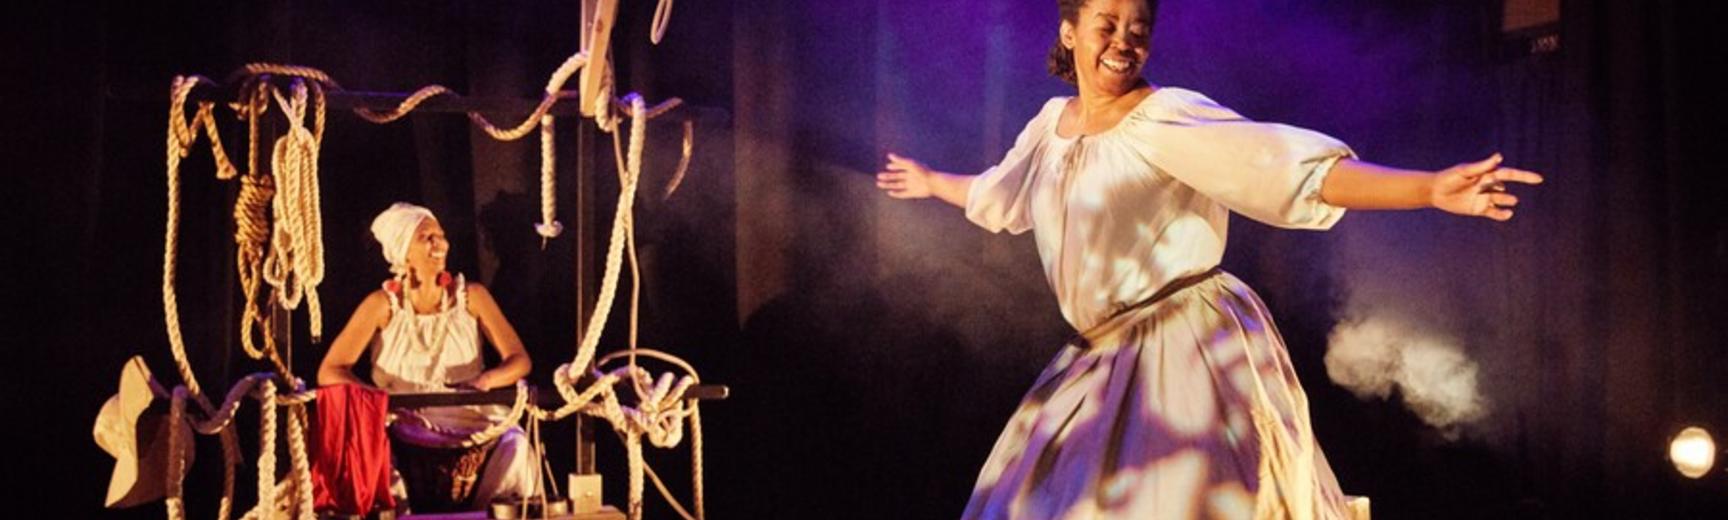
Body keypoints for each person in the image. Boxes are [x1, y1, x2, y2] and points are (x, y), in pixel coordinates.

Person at [873, 0, 1543, 518]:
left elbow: (1286, 168)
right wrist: (932, 182)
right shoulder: (1051, 127)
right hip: (1098, 353)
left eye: (1138, 28)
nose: (1124, 41)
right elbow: (1001, 193)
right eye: (1107, 24)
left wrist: (1427, 188)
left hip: (1183, 339)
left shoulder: (1165, 117)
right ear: (1070, 31)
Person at [318, 202, 538, 510]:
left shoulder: (472, 297)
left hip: (471, 418)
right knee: (374, 456)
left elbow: (519, 360)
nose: (440, 244)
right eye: (426, 237)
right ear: (403, 251)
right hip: (406, 422)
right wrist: (377, 399)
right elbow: (330, 370)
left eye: (441, 235)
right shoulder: (381, 305)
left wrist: (486, 380)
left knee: (516, 447)